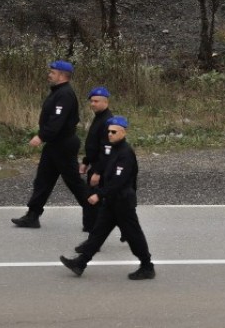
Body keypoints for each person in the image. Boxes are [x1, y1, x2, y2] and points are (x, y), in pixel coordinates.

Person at [60, 116, 156, 280]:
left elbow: (119, 181)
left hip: (123, 202)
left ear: (123, 132)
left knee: (134, 236)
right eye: (109, 131)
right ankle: (80, 263)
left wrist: (99, 194)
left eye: (114, 132)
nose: (110, 134)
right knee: (98, 232)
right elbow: (105, 168)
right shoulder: (114, 149)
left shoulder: (125, 154)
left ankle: (147, 266)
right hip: (112, 201)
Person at [12, 60, 93, 229]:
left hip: (63, 145)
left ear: (63, 76)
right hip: (54, 145)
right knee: (43, 180)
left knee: (74, 182)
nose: (49, 74)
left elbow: (57, 121)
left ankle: (95, 214)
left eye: (53, 72)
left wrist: (41, 136)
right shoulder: (58, 92)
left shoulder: (65, 94)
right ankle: (33, 215)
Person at [79, 86, 113, 232]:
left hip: (103, 168)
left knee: (95, 200)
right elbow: (94, 144)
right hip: (95, 164)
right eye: (91, 101)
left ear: (105, 102)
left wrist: (97, 172)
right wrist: (86, 161)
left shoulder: (107, 121)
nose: (92, 104)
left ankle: (95, 231)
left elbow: (107, 150)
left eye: (96, 101)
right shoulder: (99, 117)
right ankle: (89, 226)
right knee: (91, 199)